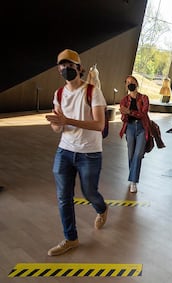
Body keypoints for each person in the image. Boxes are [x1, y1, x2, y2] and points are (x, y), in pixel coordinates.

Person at [45, 49, 108, 256]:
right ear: (58, 69)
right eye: (62, 66)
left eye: (70, 65)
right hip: (64, 151)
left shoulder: (92, 91)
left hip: (89, 153)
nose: (66, 69)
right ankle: (70, 238)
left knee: (89, 192)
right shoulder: (59, 94)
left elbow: (99, 124)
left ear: (79, 68)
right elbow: (58, 127)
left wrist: (67, 121)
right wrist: (57, 124)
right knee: (64, 197)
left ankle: (101, 208)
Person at [119, 75, 151, 193]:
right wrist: (124, 114)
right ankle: (133, 177)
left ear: (136, 84)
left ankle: (133, 181)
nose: (129, 84)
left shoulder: (144, 98)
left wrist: (130, 112)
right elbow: (123, 118)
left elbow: (143, 114)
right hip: (130, 128)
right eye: (127, 82)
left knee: (138, 154)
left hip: (142, 128)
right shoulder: (124, 100)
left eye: (132, 82)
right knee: (131, 154)